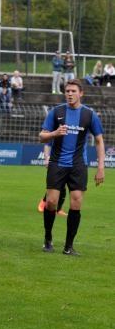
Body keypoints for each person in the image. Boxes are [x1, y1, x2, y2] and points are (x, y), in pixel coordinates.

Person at [39, 79, 105, 255]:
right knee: (51, 202)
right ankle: (47, 239)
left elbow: (99, 141)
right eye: (67, 91)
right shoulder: (56, 112)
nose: (69, 94)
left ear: (81, 93)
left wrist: (100, 168)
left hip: (78, 165)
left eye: (73, 91)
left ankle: (68, 246)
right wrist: (54, 133)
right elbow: (42, 136)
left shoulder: (89, 115)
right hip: (57, 163)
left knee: (76, 202)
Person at [37, 142, 67, 216]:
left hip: (67, 162)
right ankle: (43, 202)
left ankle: (59, 210)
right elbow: (47, 144)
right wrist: (47, 159)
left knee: (63, 185)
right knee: (55, 186)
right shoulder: (56, 132)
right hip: (55, 162)